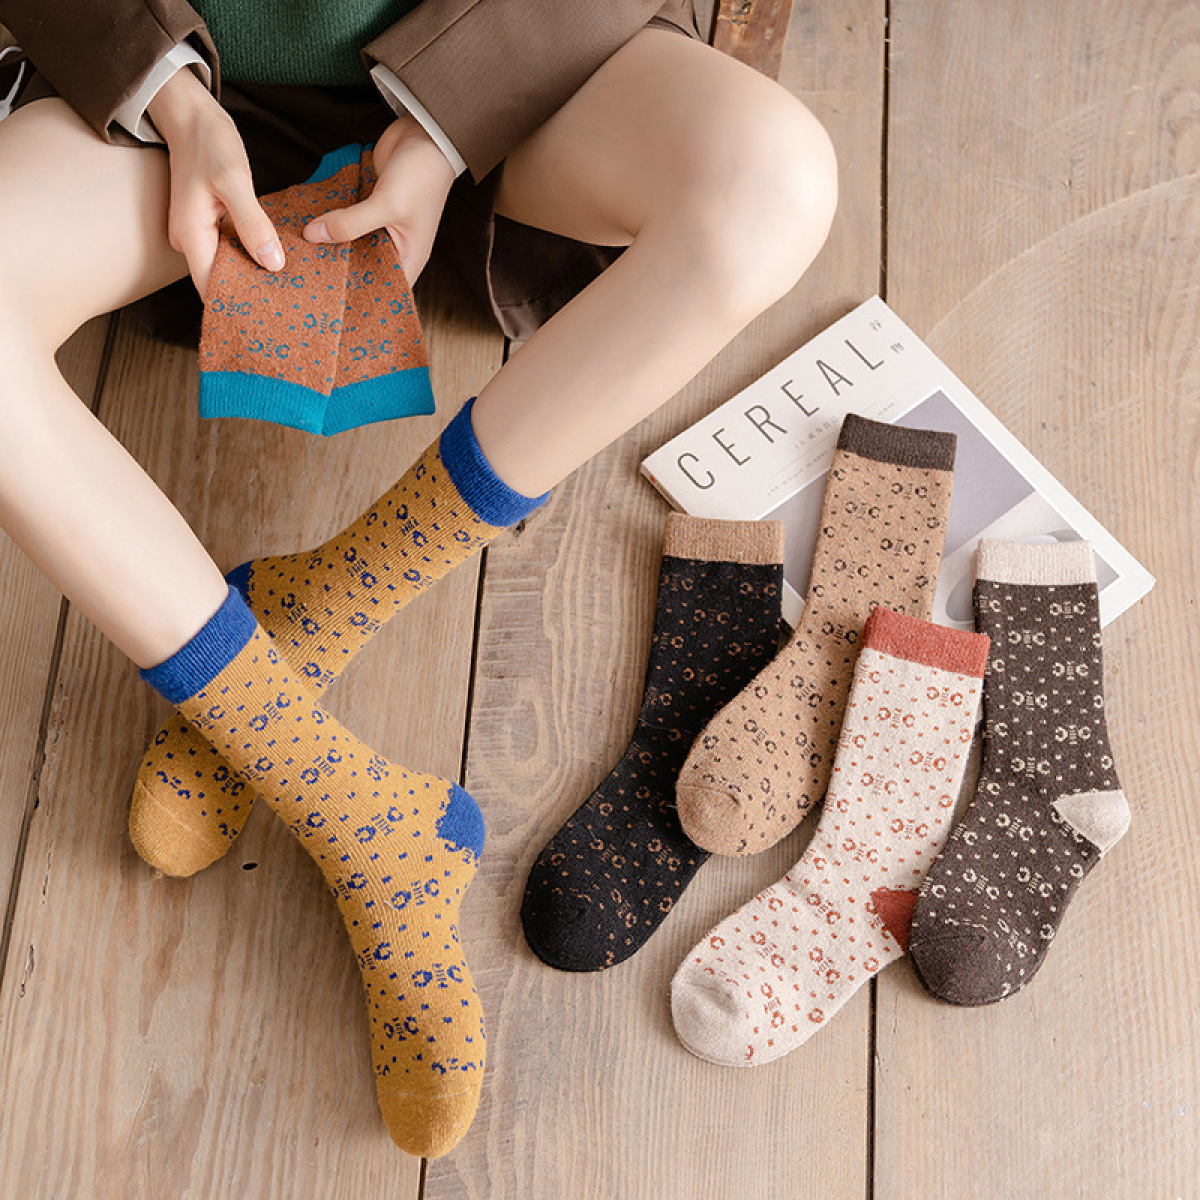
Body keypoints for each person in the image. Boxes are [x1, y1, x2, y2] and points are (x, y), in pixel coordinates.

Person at [0, 0, 838, 1159]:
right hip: (162, 86)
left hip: (504, 61)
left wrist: (445, 127)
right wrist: (175, 103)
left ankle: (315, 607)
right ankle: (355, 814)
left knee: (774, 182)